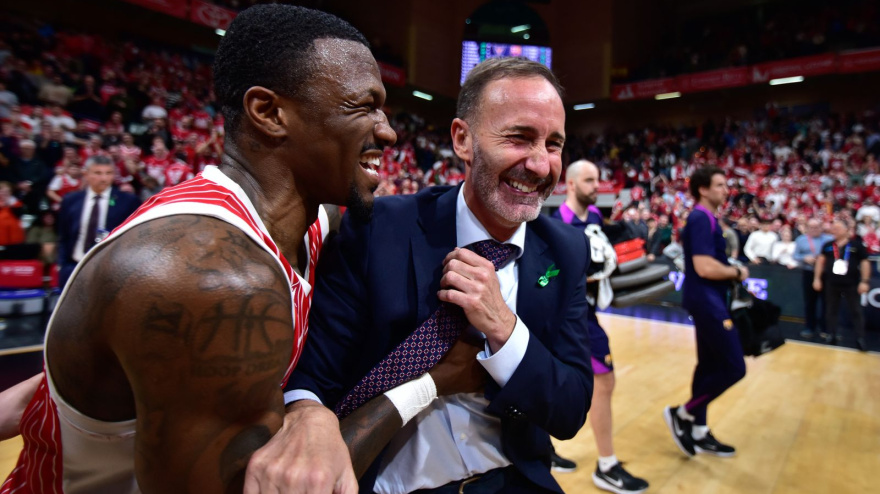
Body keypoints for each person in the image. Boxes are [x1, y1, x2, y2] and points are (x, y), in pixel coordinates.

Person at [1, 5, 396, 493]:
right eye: (363, 106)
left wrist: (303, 407)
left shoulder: (309, 221)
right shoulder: (206, 276)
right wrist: (427, 386)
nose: (387, 129)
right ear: (270, 113)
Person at [266, 57, 593, 493]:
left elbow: (570, 410)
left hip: (514, 480)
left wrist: (505, 329)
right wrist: (307, 414)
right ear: (463, 139)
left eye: (553, 144)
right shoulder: (376, 228)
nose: (539, 164)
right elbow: (313, 379)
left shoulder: (566, 250)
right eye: (519, 138)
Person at [552, 159, 649, 494]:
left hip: (588, 313)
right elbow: (548, 276)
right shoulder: (556, 224)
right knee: (604, 382)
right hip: (570, 318)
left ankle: (544, 449)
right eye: (590, 181)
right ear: (573, 184)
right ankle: (606, 466)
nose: (598, 186)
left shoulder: (594, 219)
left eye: (598, 179)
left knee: (556, 383)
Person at [664, 166, 749, 459]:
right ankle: (683, 413)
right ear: (703, 189)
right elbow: (703, 266)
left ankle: (699, 430)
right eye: (720, 185)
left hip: (710, 300)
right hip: (707, 301)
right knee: (734, 367)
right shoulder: (700, 218)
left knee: (709, 366)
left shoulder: (709, 218)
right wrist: (736, 271)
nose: (726, 190)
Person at [55, 155, 141, 287]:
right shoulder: (70, 200)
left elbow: (134, 238)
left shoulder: (128, 202)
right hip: (73, 268)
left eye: (108, 173)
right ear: (86, 174)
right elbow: (63, 235)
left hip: (111, 272)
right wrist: (62, 265)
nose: (104, 178)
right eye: (98, 173)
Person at [813, 218, 870, 351]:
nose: (835, 231)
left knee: (856, 310)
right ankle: (831, 334)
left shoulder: (856, 245)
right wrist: (817, 279)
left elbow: (865, 263)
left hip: (851, 283)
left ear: (846, 230)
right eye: (834, 228)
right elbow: (820, 262)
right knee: (831, 310)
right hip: (832, 283)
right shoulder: (827, 245)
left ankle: (860, 338)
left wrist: (864, 281)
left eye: (838, 228)